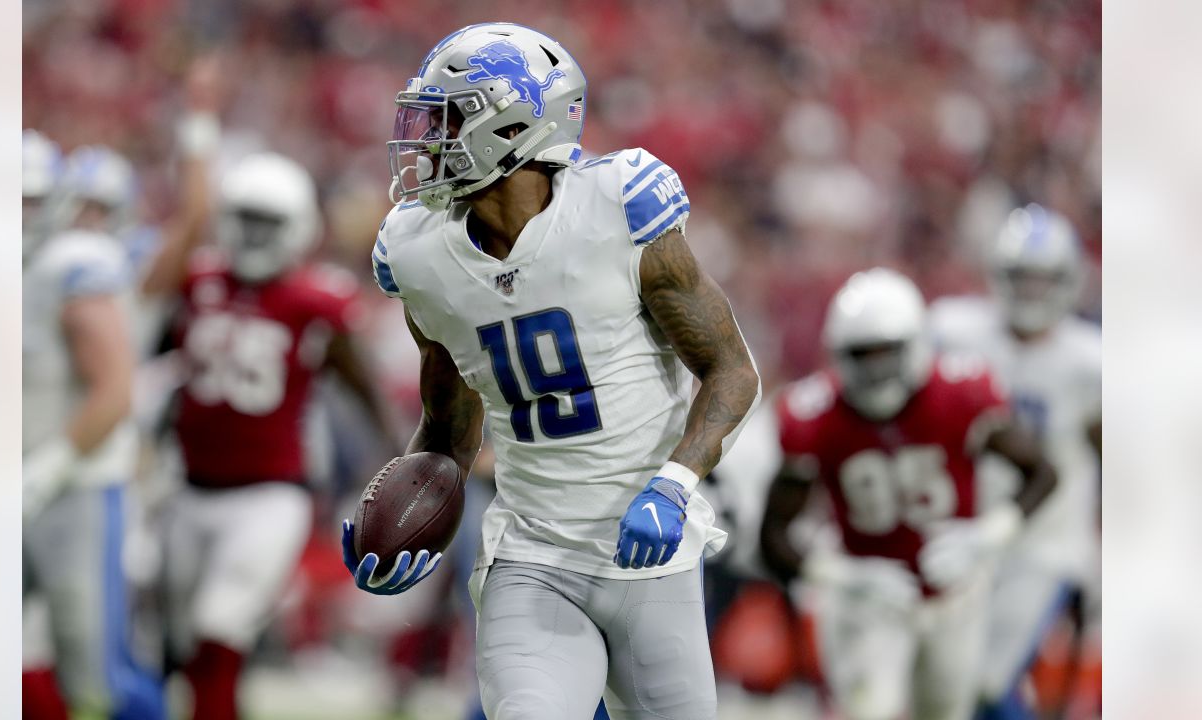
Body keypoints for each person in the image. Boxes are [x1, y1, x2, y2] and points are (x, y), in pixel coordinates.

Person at [342, 23, 761, 720]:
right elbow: (448, 432)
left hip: (647, 556)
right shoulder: (419, 255)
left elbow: (730, 371)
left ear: (510, 126)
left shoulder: (618, 208)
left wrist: (674, 483)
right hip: (530, 554)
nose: (426, 140)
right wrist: (405, 518)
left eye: (447, 119)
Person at [141, 136, 398, 717]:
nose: (255, 236)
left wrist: (403, 451)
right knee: (180, 643)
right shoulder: (199, 281)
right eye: (246, 220)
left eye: (268, 222)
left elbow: (363, 386)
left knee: (219, 626)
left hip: (268, 494)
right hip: (187, 486)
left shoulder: (317, 301)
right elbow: (159, 370)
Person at [759, 268, 1057, 720]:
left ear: (916, 344)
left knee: (944, 712)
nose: (877, 370)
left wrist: (986, 537)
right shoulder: (813, 415)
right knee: (869, 710)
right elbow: (773, 536)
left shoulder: (962, 394)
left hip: (955, 593)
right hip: (867, 604)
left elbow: (1042, 471)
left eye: (888, 353)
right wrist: (844, 576)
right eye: (864, 355)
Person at [929, 205, 1101, 720]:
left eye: (1043, 280)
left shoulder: (1091, 362)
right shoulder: (954, 332)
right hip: (960, 535)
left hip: (1043, 545)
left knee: (982, 682)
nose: (1030, 292)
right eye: (1020, 278)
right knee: (947, 681)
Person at [22, 130, 167, 719]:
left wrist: (39, 473)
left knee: (92, 667)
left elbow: (114, 390)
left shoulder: (74, 264)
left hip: (69, 489)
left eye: (27, 201)